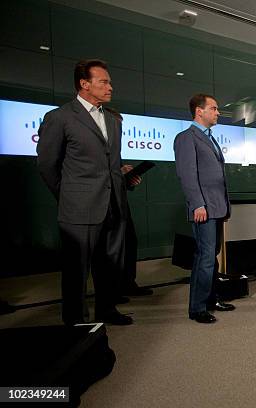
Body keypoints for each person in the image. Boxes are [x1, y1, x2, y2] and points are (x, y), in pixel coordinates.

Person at [37, 59, 133, 325]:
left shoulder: (113, 120)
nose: (110, 87)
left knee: (108, 266)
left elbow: (109, 162)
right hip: (78, 208)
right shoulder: (60, 117)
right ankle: (77, 324)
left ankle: (107, 311)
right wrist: (68, 195)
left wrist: (123, 179)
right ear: (84, 84)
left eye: (109, 82)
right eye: (104, 81)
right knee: (76, 272)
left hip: (112, 206)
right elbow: (47, 164)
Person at [174, 94, 235, 324]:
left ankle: (211, 299)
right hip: (203, 208)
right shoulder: (186, 138)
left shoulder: (209, 138)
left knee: (212, 256)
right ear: (199, 111)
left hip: (217, 207)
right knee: (205, 257)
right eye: (214, 108)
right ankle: (197, 308)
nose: (218, 112)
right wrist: (197, 203)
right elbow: (187, 175)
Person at [104, 107, 153, 299]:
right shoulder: (98, 148)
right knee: (111, 250)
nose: (120, 130)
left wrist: (128, 179)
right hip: (105, 207)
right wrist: (119, 173)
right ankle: (113, 290)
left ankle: (128, 283)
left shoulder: (115, 148)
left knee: (129, 243)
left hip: (121, 204)